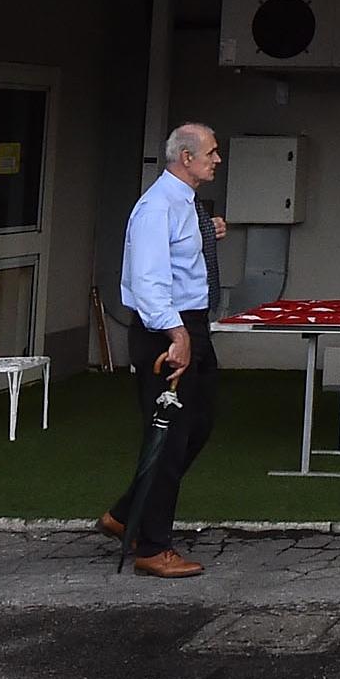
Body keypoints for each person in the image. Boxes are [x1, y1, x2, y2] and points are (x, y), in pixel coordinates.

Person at [103, 124, 227, 577]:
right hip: (167, 328)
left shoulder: (185, 202)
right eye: (211, 153)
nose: (217, 160)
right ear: (186, 158)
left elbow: (181, 257)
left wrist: (208, 232)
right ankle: (153, 547)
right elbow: (149, 280)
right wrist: (177, 335)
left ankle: (126, 514)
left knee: (197, 425)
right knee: (170, 435)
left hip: (191, 322)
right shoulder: (156, 207)